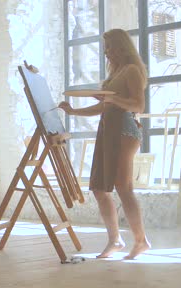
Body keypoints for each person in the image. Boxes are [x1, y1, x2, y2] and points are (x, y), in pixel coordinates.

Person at [58, 29, 151, 260]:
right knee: (99, 188)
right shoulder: (114, 74)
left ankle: (140, 241)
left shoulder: (132, 70)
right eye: (105, 47)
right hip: (107, 130)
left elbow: (139, 106)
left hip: (125, 130)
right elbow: (104, 107)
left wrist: (112, 98)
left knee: (123, 186)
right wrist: (73, 111)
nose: (106, 51)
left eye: (109, 46)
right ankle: (115, 240)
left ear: (121, 47)